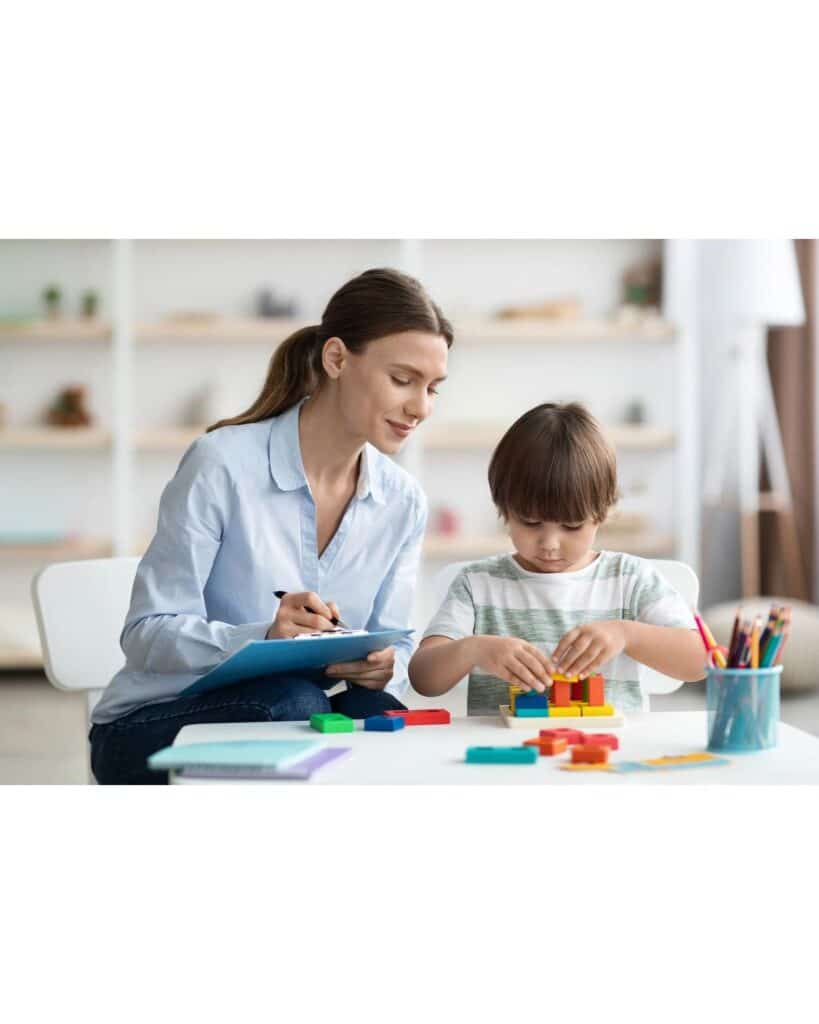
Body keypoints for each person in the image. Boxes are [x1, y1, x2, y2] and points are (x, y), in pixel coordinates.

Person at [90, 268, 452, 783]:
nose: (420, 407)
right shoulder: (221, 464)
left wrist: (384, 662)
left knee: (379, 715)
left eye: (433, 388)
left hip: (296, 715)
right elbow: (146, 635)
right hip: (150, 728)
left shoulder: (403, 501)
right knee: (295, 703)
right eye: (403, 380)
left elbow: (397, 642)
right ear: (336, 359)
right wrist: (262, 636)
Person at [409, 402, 705, 714]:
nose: (550, 544)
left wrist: (627, 633)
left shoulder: (630, 579)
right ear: (504, 509)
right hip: (503, 756)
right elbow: (423, 679)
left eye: (572, 526)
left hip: (604, 754)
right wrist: (473, 650)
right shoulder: (477, 584)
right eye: (531, 523)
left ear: (602, 514)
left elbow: (700, 662)